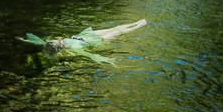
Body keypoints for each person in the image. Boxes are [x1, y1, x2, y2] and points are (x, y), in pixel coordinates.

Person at [17, 19, 148, 64]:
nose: (60, 40)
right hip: (98, 40)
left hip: (87, 34)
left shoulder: (50, 43)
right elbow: (91, 56)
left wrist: (24, 40)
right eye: (60, 43)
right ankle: (139, 26)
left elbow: (39, 42)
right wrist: (108, 60)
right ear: (61, 49)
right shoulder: (74, 49)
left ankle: (136, 22)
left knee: (116, 27)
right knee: (120, 32)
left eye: (58, 40)